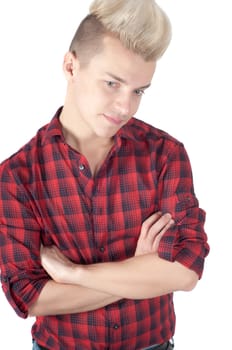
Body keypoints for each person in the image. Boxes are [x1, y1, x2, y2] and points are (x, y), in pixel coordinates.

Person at [0, 0, 209, 349]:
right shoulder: (17, 177)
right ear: (71, 66)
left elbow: (185, 272)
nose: (125, 107)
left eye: (138, 91)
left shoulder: (165, 155)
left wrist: (73, 274)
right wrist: (139, 271)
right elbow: (30, 297)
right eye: (112, 83)